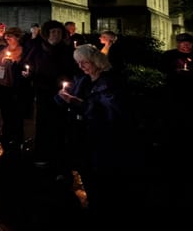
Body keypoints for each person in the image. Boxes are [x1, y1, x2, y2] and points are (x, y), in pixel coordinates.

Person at [56, 44, 139, 229]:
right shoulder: (83, 80)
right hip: (83, 137)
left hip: (103, 138)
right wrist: (63, 98)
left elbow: (113, 112)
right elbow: (74, 103)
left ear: (96, 61)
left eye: (84, 62)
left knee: (104, 178)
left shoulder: (111, 82)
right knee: (87, 173)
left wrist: (80, 104)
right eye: (78, 63)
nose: (81, 66)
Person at [23, 20, 78, 171]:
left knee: (60, 124)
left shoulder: (67, 51)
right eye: (53, 32)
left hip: (61, 93)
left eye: (59, 32)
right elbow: (28, 65)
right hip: (43, 91)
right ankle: (42, 154)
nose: (56, 35)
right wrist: (28, 74)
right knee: (43, 123)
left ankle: (60, 156)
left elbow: (73, 70)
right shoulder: (38, 49)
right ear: (47, 34)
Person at [160, 32, 193, 211]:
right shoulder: (170, 56)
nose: (185, 46)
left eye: (188, 44)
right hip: (174, 98)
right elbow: (163, 72)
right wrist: (176, 73)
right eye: (182, 44)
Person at [0, 27, 31, 152]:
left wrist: (13, 64)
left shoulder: (23, 52)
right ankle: (6, 134)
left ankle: (18, 137)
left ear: (18, 38)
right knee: (5, 111)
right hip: (2, 85)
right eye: (6, 36)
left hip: (15, 87)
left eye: (10, 36)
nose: (7, 38)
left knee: (16, 113)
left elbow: (25, 68)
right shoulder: (3, 50)